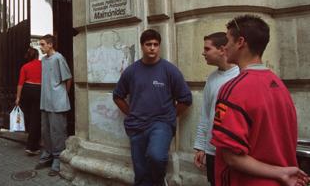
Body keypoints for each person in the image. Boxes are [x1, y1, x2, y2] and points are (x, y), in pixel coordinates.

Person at [210, 15, 309, 186]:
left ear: (240, 42)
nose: (224, 47)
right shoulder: (279, 86)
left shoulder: (233, 89)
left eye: (227, 41)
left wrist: (280, 172)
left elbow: (231, 157)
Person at [113, 29, 192, 186]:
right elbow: (117, 96)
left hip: (161, 124)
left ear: (159, 46)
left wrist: (170, 115)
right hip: (136, 125)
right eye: (148, 44)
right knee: (140, 171)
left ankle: (158, 182)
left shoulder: (169, 70)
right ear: (142, 46)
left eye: (156, 44)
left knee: (156, 156)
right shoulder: (131, 71)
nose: (152, 48)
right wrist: (130, 113)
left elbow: (186, 99)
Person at [193, 32, 239, 186]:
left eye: (207, 49)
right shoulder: (212, 78)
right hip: (212, 150)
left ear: (221, 49)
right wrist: (201, 147)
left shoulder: (240, 75)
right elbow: (206, 114)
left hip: (234, 151)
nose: (203, 53)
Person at [35, 34, 72, 176]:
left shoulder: (59, 58)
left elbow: (68, 78)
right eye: (40, 44)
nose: (41, 47)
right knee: (46, 131)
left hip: (57, 102)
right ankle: (48, 154)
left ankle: (58, 158)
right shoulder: (44, 60)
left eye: (43, 44)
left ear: (50, 44)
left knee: (57, 132)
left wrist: (63, 95)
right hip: (45, 101)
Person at [15, 47, 42, 155]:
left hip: (27, 90)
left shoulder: (24, 67)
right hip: (38, 90)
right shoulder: (42, 64)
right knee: (36, 118)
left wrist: (18, 97)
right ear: (37, 55)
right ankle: (32, 146)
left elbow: (20, 83)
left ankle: (32, 141)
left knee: (30, 117)